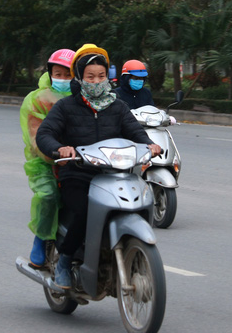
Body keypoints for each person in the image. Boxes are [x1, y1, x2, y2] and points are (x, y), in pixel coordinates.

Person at [36, 44, 161, 289]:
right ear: (80, 77)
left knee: (142, 201)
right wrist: (60, 148)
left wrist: (149, 144)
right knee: (84, 211)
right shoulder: (66, 107)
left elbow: (135, 131)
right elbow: (45, 133)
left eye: (101, 76)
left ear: (108, 77)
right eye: (90, 77)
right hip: (77, 174)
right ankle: (66, 258)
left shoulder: (117, 107)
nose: (96, 81)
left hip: (115, 174)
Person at [19, 48, 75, 269]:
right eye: (58, 74)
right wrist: (55, 151)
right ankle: (41, 239)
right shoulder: (37, 100)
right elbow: (37, 137)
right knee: (48, 195)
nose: (62, 79)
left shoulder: (86, 96)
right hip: (46, 162)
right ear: (50, 73)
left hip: (83, 159)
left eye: (68, 75)